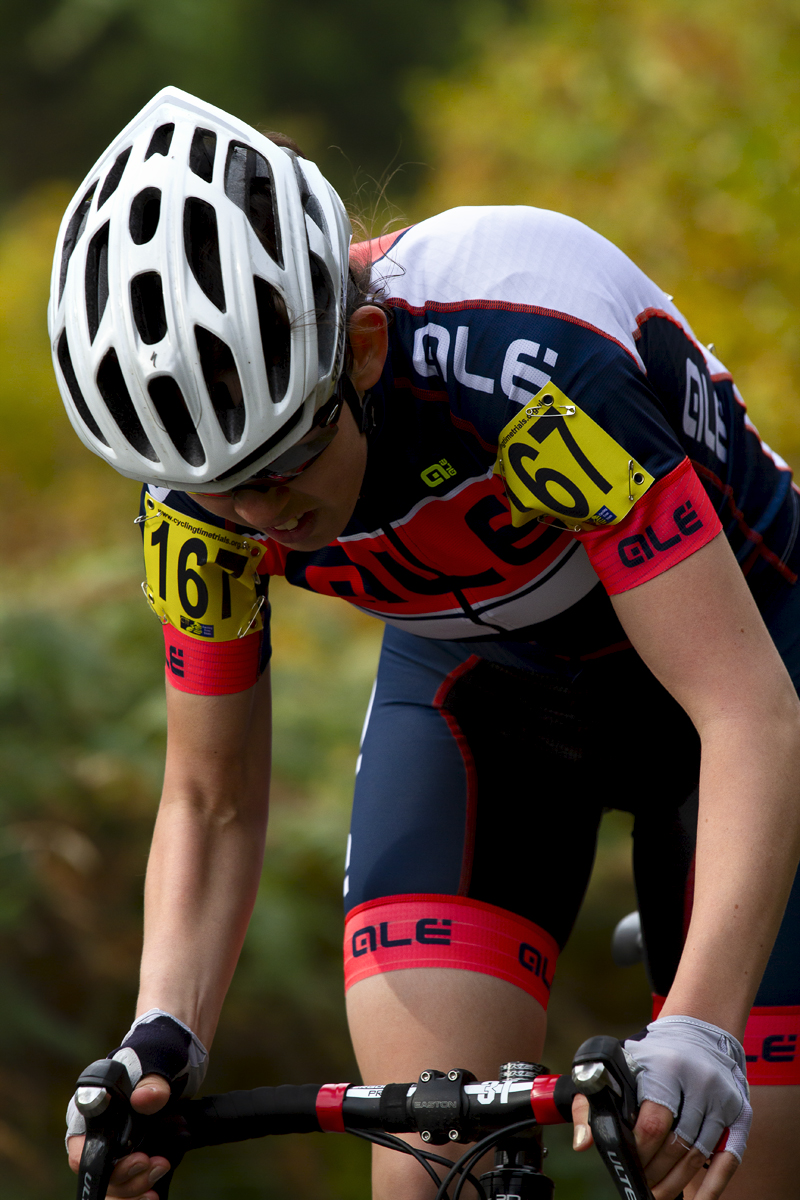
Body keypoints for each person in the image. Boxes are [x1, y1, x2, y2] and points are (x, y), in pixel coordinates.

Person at [49, 86, 800, 1200]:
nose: (258, 516)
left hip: (742, 672)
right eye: (218, 492)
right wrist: (161, 1038)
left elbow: (744, 710)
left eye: (281, 466)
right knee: (429, 1169)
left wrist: (698, 1023)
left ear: (357, 353)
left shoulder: (527, 364)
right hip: (477, 695)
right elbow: (209, 797)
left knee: (730, 1167)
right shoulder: (194, 492)